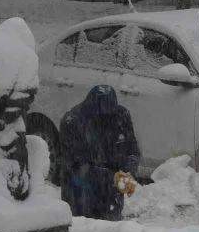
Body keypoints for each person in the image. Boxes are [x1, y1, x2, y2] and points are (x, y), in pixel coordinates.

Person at [60, 85, 140, 221]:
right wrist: (107, 177)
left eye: (110, 114)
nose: (106, 120)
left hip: (111, 186)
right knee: (87, 227)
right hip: (82, 189)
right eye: (103, 115)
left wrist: (128, 174)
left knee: (111, 228)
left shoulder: (121, 116)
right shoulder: (73, 121)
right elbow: (73, 164)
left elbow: (132, 150)